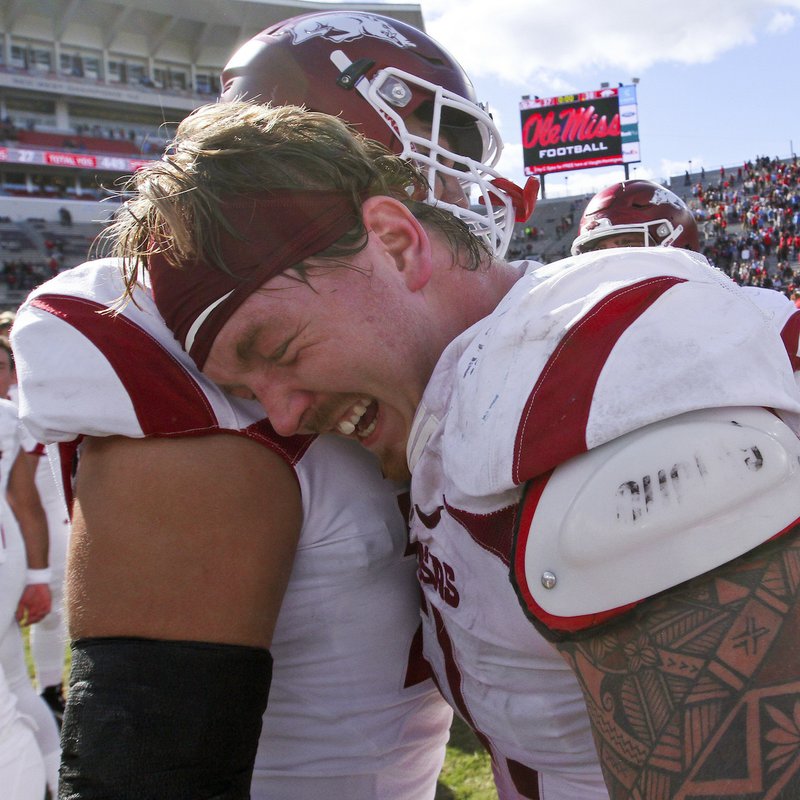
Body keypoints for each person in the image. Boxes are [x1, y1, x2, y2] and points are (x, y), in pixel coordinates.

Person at [118, 101, 800, 800]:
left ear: (394, 242)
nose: (285, 416)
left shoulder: (600, 370)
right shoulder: (454, 401)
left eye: (282, 351)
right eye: (252, 390)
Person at [11, 13, 540, 799]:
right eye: (442, 147)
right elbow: (146, 777)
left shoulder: (448, 355)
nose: (464, 184)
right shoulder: (206, 398)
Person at [0, 336, 60, 795]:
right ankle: (60, 781)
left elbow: (25, 500)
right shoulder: (6, 417)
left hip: (8, 554)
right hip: (11, 555)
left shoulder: (7, 418)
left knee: (5, 710)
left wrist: (38, 575)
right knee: (15, 687)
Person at [570, 179, 700, 255]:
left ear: (680, 244)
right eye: (599, 251)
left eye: (629, 245)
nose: (609, 261)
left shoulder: (710, 300)